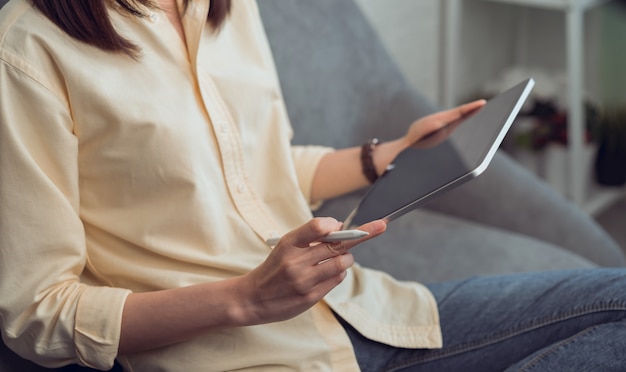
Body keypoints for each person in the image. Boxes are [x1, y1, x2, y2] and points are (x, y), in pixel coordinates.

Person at [0, 0, 625, 371]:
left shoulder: (225, 7)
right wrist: (248, 299)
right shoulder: (27, 47)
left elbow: (256, 166)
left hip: (362, 313)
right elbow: (38, 311)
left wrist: (391, 154)